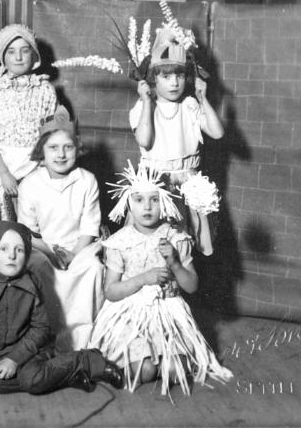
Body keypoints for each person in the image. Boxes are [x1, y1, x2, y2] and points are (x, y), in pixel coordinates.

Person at [88, 162, 233, 395]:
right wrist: (143, 278)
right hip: (131, 314)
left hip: (168, 311)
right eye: (139, 200)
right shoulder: (120, 242)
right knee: (144, 371)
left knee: (176, 370)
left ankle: (165, 357)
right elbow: (111, 292)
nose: (147, 206)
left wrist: (175, 262)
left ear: (164, 202)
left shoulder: (176, 238)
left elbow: (192, 286)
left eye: (154, 199)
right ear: (128, 203)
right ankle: (141, 360)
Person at [0, 221, 123, 395]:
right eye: (3, 249)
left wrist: (15, 359)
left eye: (19, 250)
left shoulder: (31, 284)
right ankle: (66, 376)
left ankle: (88, 361)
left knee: (31, 379)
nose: (11, 256)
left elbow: (41, 328)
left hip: (30, 349)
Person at [129, 27, 224, 255]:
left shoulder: (189, 105)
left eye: (180, 75)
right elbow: (144, 139)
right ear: (153, 78)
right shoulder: (143, 108)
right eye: (166, 76)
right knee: (154, 247)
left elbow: (217, 132)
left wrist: (203, 99)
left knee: (187, 246)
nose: (174, 83)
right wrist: (146, 101)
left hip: (188, 183)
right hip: (157, 186)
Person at [16, 106, 104, 351]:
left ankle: (84, 340)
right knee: (39, 269)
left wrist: (74, 255)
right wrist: (53, 253)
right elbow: (29, 232)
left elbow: (89, 225)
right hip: (43, 248)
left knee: (93, 269)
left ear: (77, 148)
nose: (61, 155)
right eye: (53, 148)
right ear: (41, 152)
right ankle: (48, 338)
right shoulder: (30, 184)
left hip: (80, 247)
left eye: (68, 147)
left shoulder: (86, 180)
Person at [0, 24, 57, 222]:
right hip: (1, 165)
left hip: (34, 165)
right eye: (12, 52)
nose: (19, 57)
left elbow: (50, 135)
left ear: (34, 54)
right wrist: (4, 173)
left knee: (33, 222)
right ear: (3, 57)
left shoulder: (45, 89)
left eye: (24, 51)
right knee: (3, 224)